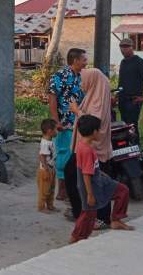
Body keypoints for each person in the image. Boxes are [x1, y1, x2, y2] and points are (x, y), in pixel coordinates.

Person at [70, 115, 133, 243]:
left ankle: (116, 220)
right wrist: (90, 195)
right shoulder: (86, 150)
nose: (100, 132)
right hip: (91, 186)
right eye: (99, 130)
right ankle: (76, 237)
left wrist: (103, 175)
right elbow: (86, 174)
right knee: (88, 214)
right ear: (93, 132)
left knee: (122, 190)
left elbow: (92, 168)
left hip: (100, 179)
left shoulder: (83, 145)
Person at [67, 68, 114, 227]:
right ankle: (82, 213)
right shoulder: (95, 95)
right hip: (86, 149)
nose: (82, 84)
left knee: (95, 183)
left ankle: (99, 218)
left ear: (92, 81)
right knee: (78, 178)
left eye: (84, 80)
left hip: (94, 150)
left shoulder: (98, 100)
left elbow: (93, 123)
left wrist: (76, 111)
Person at [48, 48, 87, 200]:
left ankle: (73, 188)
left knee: (76, 155)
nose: (85, 62)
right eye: (84, 60)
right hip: (64, 123)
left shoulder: (82, 76)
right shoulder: (59, 76)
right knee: (64, 154)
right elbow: (52, 99)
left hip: (79, 122)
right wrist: (56, 121)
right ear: (75, 60)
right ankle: (62, 190)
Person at [117, 38, 143, 130]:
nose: (123, 49)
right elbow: (122, 82)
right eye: (121, 47)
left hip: (134, 100)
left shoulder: (139, 61)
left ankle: (135, 144)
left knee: (132, 127)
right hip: (122, 100)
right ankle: (127, 144)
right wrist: (117, 96)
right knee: (123, 126)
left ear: (132, 47)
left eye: (126, 46)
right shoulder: (123, 62)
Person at [37, 119, 58, 213]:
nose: (57, 132)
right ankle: (41, 206)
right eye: (55, 130)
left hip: (51, 169)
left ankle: (50, 205)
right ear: (50, 131)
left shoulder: (50, 141)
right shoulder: (45, 143)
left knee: (51, 188)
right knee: (44, 189)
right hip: (46, 170)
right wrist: (46, 169)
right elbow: (42, 157)